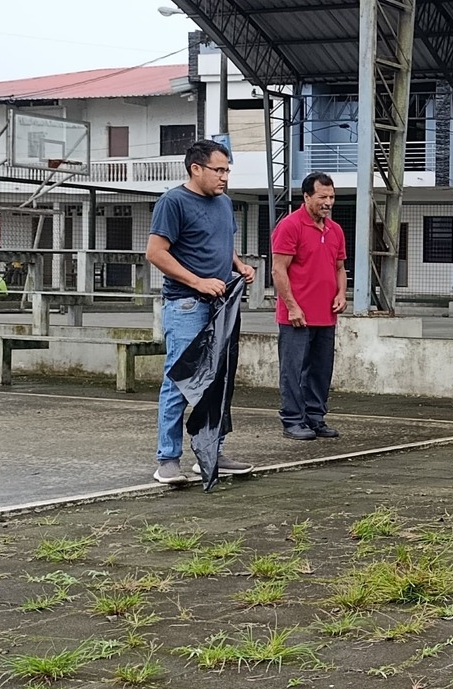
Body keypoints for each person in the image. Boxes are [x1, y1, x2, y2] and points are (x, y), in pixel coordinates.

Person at [146, 137, 259, 484]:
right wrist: (198, 281)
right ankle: (168, 459)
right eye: (218, 170)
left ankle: (212, 452)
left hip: (221, 305)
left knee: (218, 381)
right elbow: (155, 253)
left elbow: (222, 241)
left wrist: (239, 264)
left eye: (227, 170)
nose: (225, 177)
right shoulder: (173, 201)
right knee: (181, 380)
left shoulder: (224, 202)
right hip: (187, 304)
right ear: (196, 169)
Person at [271, 170, 348, 442]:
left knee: (321, 370)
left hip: (326, 315)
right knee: (293, 370)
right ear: (306, 197)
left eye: (332, 197)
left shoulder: (335, 230)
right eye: (322, 197)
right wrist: (292, 306)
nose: (328, 202)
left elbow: (339, 268)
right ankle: (293, 419)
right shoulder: (290, 226)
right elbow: (278, 270)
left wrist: (342, 293)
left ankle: (315, 417)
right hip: (297, 316)